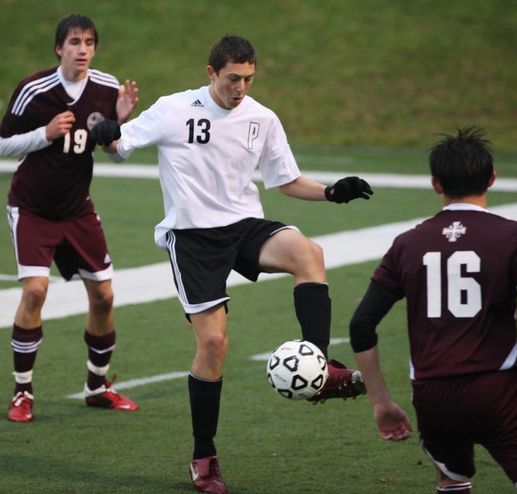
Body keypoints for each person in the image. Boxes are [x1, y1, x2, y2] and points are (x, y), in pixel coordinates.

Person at [91, 34, 372, 494]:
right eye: (232, 78)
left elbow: (286, 181)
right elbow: (120, 144)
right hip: (192, 238)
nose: (240, 87)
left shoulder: (262, 118)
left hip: (242, 226)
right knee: (214, 344)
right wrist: (108, 132)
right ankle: (204, 456)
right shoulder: (174, 107)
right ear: (211, 74)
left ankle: (318, 369)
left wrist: (331, 191)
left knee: (309, 253)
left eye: (248, 78)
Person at [349, 127, 517, 494]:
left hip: (432, 396)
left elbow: (362, 323)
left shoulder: (407, 244)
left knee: (453, 479)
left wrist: (381, 401)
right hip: (499, 390)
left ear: (435, 184)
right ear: (491, 178)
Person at [0, 13, 140, 423]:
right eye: (75, 42)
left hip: (78, 208)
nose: (83, 50)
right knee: (35, 292)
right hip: (32, 208)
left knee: (105, 296)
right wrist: (43, 134)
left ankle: (97, 386)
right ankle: (23, 392)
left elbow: (117, 151)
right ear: (59, 48)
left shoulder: (106, 87)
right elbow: (3, 143)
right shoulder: (33, 90)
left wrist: (120, 125)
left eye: (90, 42)